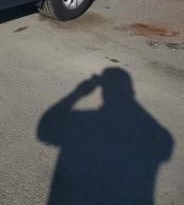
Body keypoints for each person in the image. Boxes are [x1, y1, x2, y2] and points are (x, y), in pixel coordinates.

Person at [37, 68, 174, 205]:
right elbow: (164, 146)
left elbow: (45, 128)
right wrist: (129, 99)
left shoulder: (82, 123)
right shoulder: (159, 136)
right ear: (131, 91)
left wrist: (78, 92)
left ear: (103, 92)